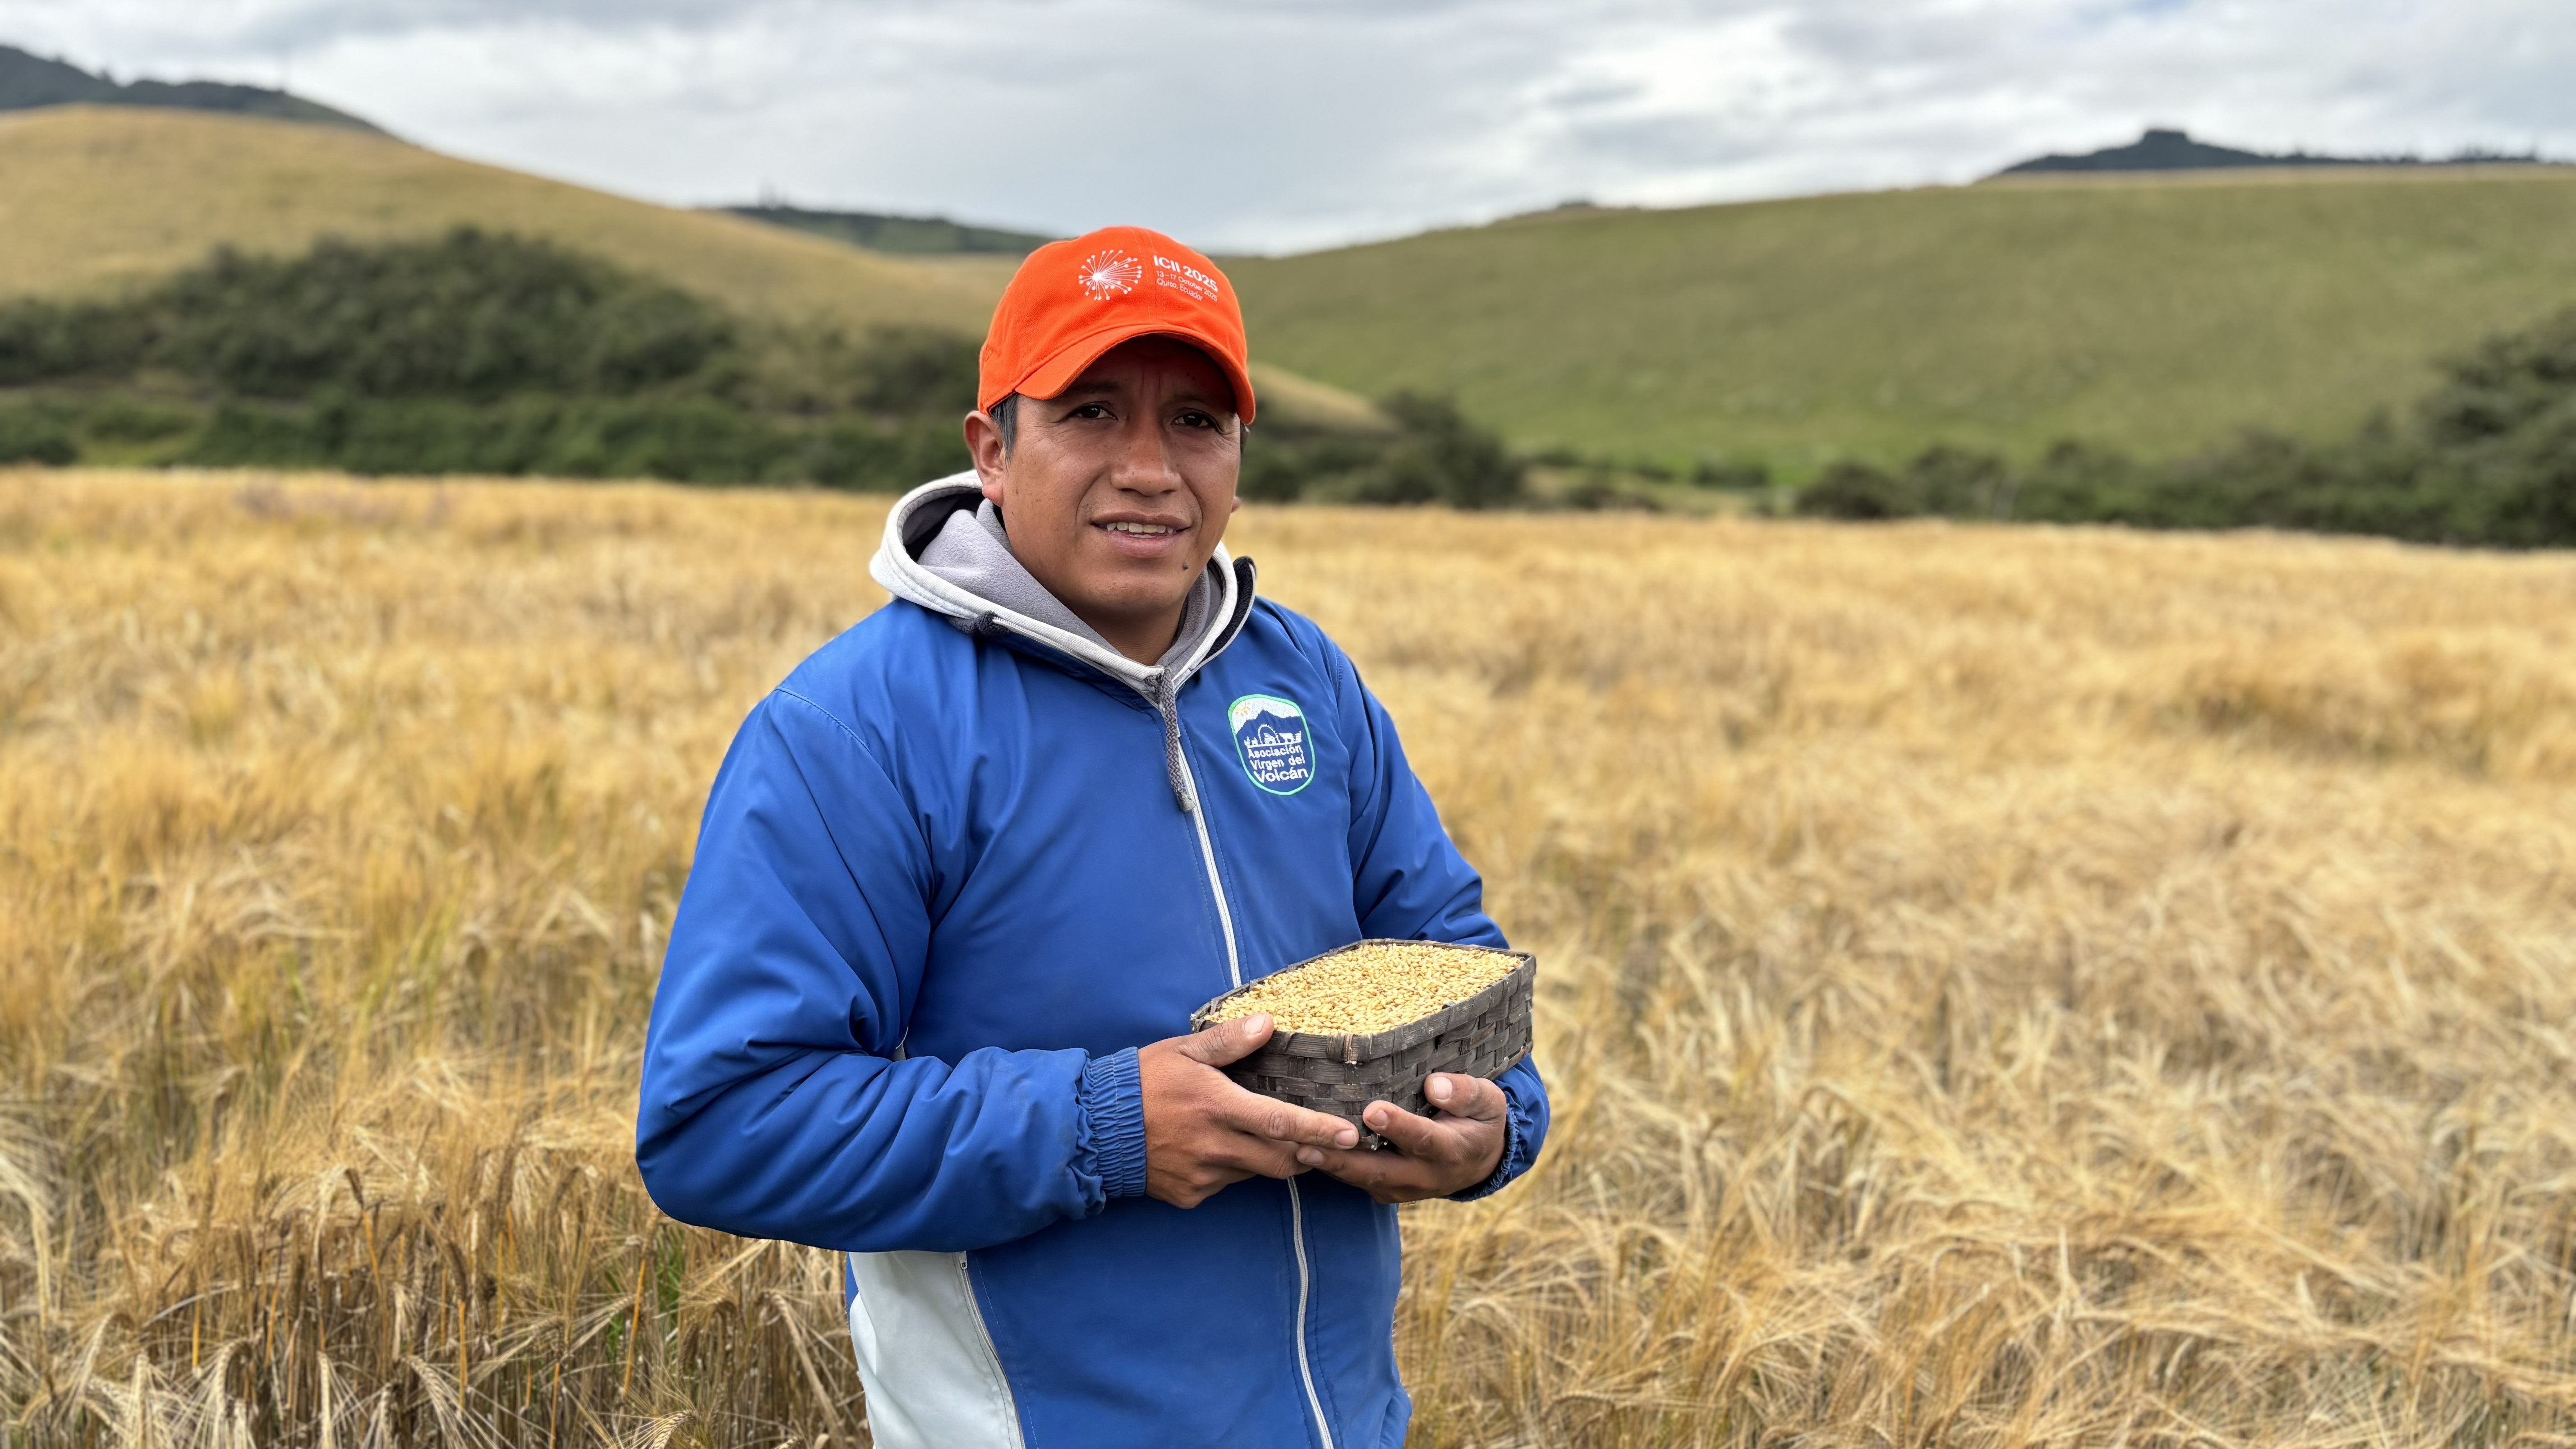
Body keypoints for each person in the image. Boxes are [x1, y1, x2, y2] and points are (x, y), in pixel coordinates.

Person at [635, 225, 1550, 1449]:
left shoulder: (1303, 680)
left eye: (1194, 423)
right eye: (1093, 411)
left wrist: (1493, 1129)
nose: (1150, 468)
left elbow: (1455, 964)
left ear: (1238, 455)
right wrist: (1103, 1129)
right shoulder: (856, 727)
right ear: (993, 451)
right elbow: (720, 1126)